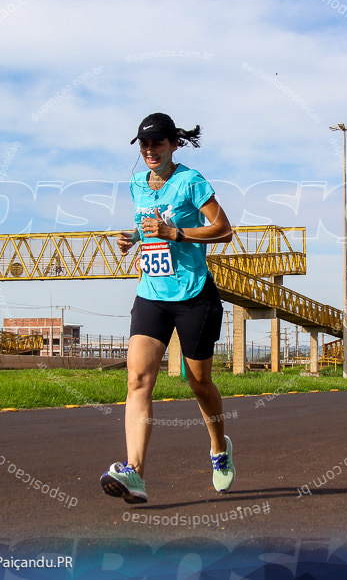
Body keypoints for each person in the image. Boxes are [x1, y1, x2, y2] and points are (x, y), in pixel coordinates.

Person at [100, 113, 235, 504]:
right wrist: (135, 240)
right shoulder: (137, 184)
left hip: (194, 295)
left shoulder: (191, 182)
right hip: (152, 293)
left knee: (199, 384)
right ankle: (135, 474)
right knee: (138, 380)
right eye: (144, 145)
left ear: (174, 144)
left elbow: (225, 230)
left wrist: (176, 233)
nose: (149, 151)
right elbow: (149, 226)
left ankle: (219, 448)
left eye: (157, 143)